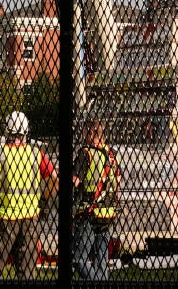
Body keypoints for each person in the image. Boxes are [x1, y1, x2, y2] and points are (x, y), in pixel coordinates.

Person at [0, 111, 57, 279]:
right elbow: (55, 180)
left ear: (6, 131)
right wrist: (43, 201)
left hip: (5, 218)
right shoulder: (36, 154)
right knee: (26, 272)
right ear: (26, 131)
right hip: (31, 218)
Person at [72, 120, 120, 281]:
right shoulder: (111, 154)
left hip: (90, 212)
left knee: (79, 258)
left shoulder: (87, 153)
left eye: (85, 131)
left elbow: (75, 181)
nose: (84, 135)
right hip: (109, 211)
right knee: (101, 260)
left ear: (91, 133)